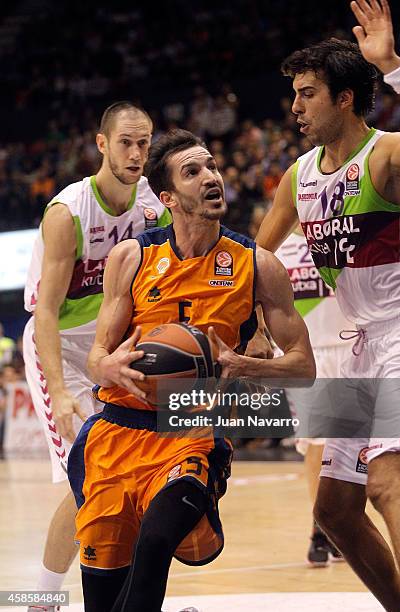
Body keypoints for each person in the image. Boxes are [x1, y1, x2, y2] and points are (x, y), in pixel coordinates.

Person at [67, 128, 315, 612]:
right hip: (117, 434)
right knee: (103, 597)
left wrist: (242, 364)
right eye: (193, 172)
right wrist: (109, 366)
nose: (210, 178)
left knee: (156, 542)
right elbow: (97, 357)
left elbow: (303, 366)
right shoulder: (132, 257)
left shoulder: (257, 264)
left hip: (191, 434)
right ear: (168, 198)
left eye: (212, 167)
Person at [256, 1, 400, 608]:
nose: (295, 106)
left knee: (389, 484)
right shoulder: (299, 177)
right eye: (294, 93)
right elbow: (253, 258)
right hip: (349, 351)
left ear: (345, 98)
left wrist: (394, 67)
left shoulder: (389, 155)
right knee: (335, 510)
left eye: (308, 93)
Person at [22, 101, 172, 612]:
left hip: (114, 348)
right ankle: (42, 598)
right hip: (60, 346)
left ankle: (125, 596)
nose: (135, 153)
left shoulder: (154, 205)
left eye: (144, 144)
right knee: (89, 476)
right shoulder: (68, 212)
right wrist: (60, 392)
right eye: (126, 142)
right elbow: (45, 312)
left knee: (136, 475)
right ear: (102, 144)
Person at [275, 227, 350, 566]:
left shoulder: (344, 234)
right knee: (316, 443)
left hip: (355, 348)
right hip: (309, 355)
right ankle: (320, 528)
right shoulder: (277, 249)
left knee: (353, 446)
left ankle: (343, 526)